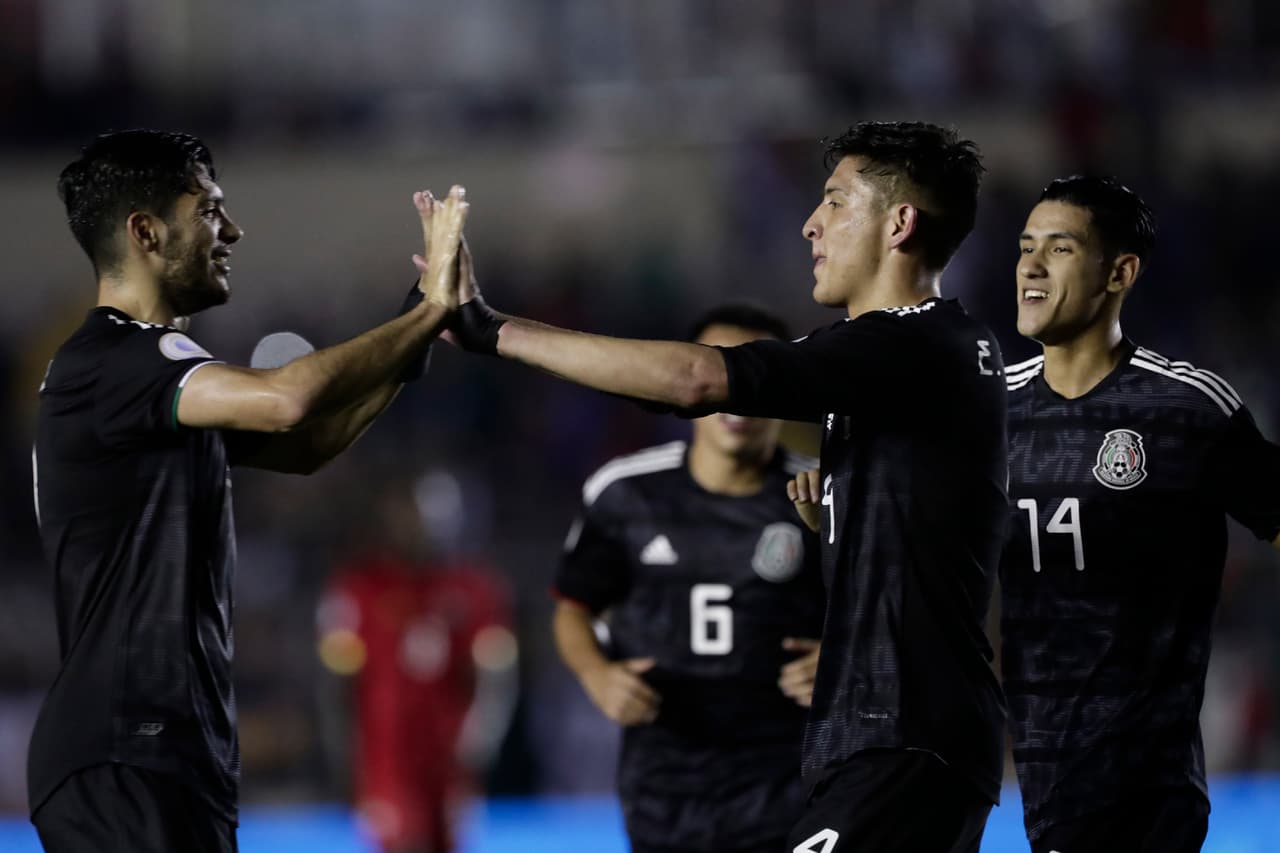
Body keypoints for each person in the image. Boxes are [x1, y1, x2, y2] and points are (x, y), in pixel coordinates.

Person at [450, 121, 1009, 853]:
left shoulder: (912, 344)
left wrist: (494, 330)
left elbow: (698, 378)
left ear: (899, 223)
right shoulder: (916, 357)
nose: (811, 223)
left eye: (836, 202)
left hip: (902, 740)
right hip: (881, 742)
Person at [28, 129, 469, 853]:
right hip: (126, 747)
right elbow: (287, 398)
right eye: (208, 210)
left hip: (163, 752)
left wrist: (420, 323)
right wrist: (425, 314)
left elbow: (309, 445)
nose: (232, 230)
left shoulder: (140, 377)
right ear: (145, 231)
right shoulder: (119, 358)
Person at [998, 175, 1280, 853]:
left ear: (1120, 271)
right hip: (1039, 786)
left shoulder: (1185, 408)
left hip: (1148, 790)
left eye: (1059, 248)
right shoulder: (985, 411)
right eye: (1025, 246)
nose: (1031, 265)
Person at [552, 303, 824, 853]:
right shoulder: (626, 491)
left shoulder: (827, 493)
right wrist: (598, 678)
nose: (735, 396)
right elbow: (572, 608)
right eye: (719, 370)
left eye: (753, 375)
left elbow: (884, 612)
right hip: (665, 789)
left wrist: (843, 661)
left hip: (792, 786)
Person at [318, 475, 517, 853]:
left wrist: (483, 736)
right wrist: (341, 753)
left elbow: (496, 670)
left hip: (449, 756)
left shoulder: (474, 589)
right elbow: (336, 682)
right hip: (386, 754)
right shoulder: (360, 589)